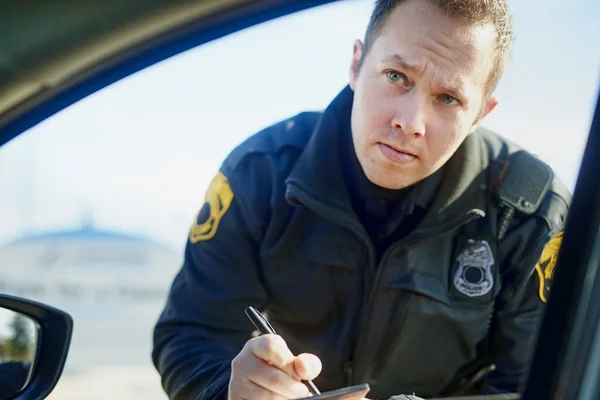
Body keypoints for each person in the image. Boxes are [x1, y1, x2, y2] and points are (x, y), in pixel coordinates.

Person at [152, 0, 571, 399]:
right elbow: (190, 333)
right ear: (356, 64)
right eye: (396, 76)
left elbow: (543, 383)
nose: (410, 123)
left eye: (448, 99)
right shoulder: (262, 172)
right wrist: (228, 392)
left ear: (480, 113)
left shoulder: (531, 215)